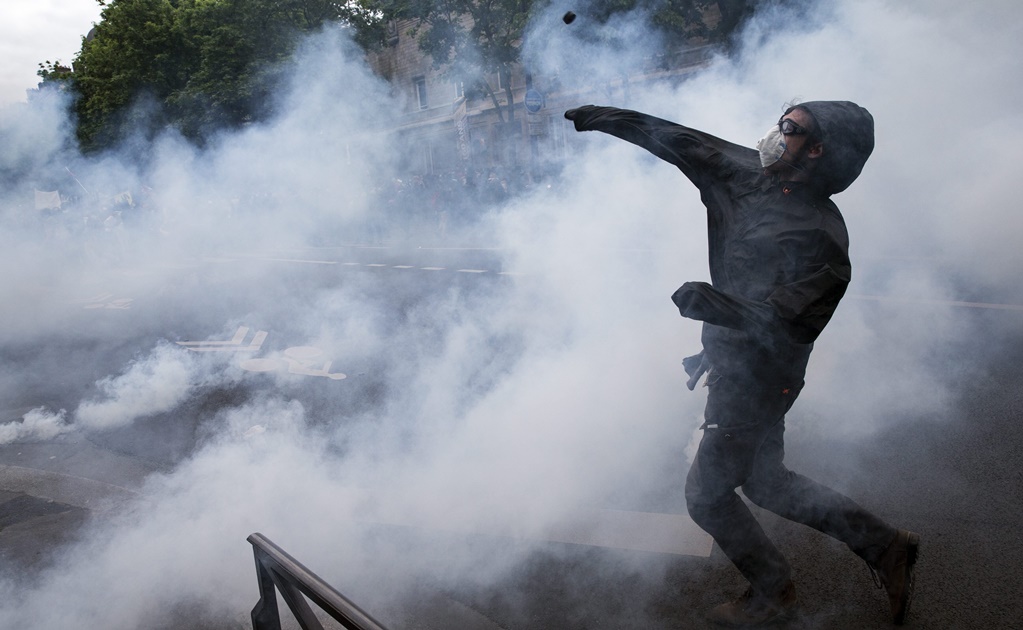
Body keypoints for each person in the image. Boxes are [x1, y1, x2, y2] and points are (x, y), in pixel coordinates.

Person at [564, 101, 919, 627]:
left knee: (706, 496)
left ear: (818, 151)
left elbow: (791, 322)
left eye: (792, 129)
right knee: (766, 481)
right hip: (733, 359)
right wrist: (606, 117)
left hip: (764, 377)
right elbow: (682, 141)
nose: (776, 134)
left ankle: (774, 593)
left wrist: (713, 306)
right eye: (782, 120)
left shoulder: (823, 239)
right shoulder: (748, 174)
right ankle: (886, 547)